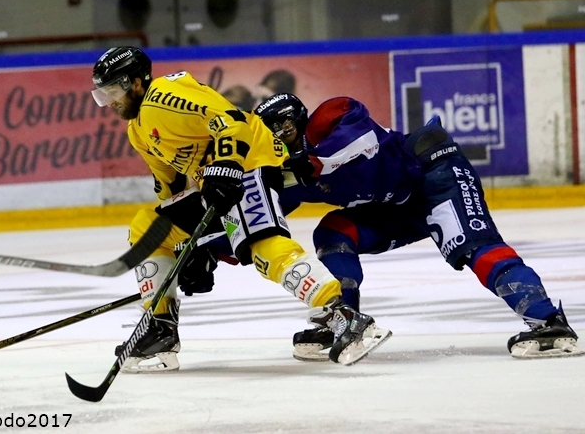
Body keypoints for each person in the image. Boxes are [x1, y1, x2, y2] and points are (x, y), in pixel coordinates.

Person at [89, 46, 391, 373]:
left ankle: (343, 315)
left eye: (113, 91)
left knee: (260, 247)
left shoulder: (162, 97)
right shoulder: (138, 131)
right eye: (102, 95)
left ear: (136, 82)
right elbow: (173, 188)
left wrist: (228, 165)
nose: (110, 101)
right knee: (150, 228)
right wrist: (188, 250)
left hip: (255, 166)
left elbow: (230, 120)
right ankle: (160, 329)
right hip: (223, 181)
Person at [252, 92, 582, 361]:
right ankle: (345, 321)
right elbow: (260, 219)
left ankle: (550, 324)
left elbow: (361, 140)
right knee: (333, 232)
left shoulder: (327, 119)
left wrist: (312, 162)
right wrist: (213, 246)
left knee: (472, 244)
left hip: (434, 173)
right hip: (395, 206)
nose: (277, 141)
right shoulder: (286, 175)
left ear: (294, 122)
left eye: (281, 130)